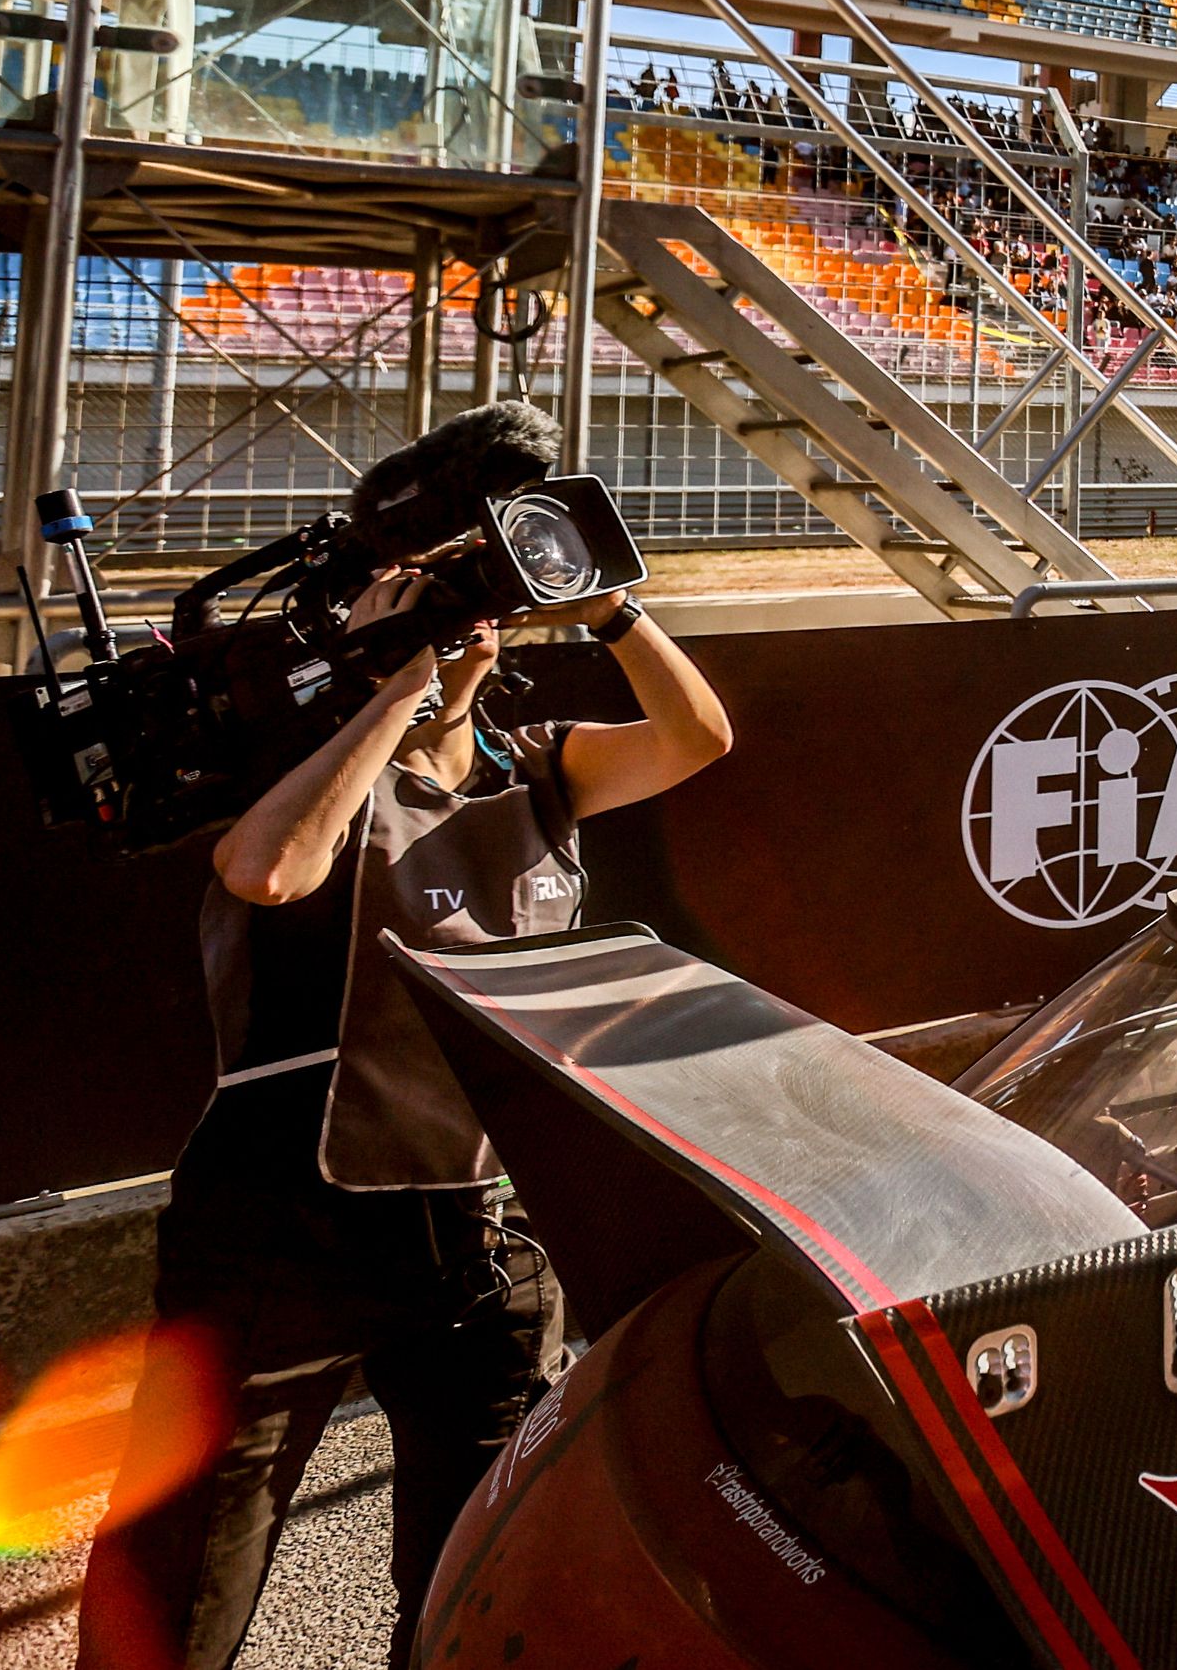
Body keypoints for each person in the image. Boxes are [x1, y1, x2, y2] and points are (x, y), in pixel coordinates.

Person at [81, 509, 733, 1670]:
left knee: (476, 1566)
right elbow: (269, 871)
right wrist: (391, 686)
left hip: (475, 1237)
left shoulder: (539, 771)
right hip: (281, 1230)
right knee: (188, 1575)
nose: (448, 608)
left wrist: (608, 611)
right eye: (410, 590)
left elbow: (698, 738)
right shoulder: (306, 769)